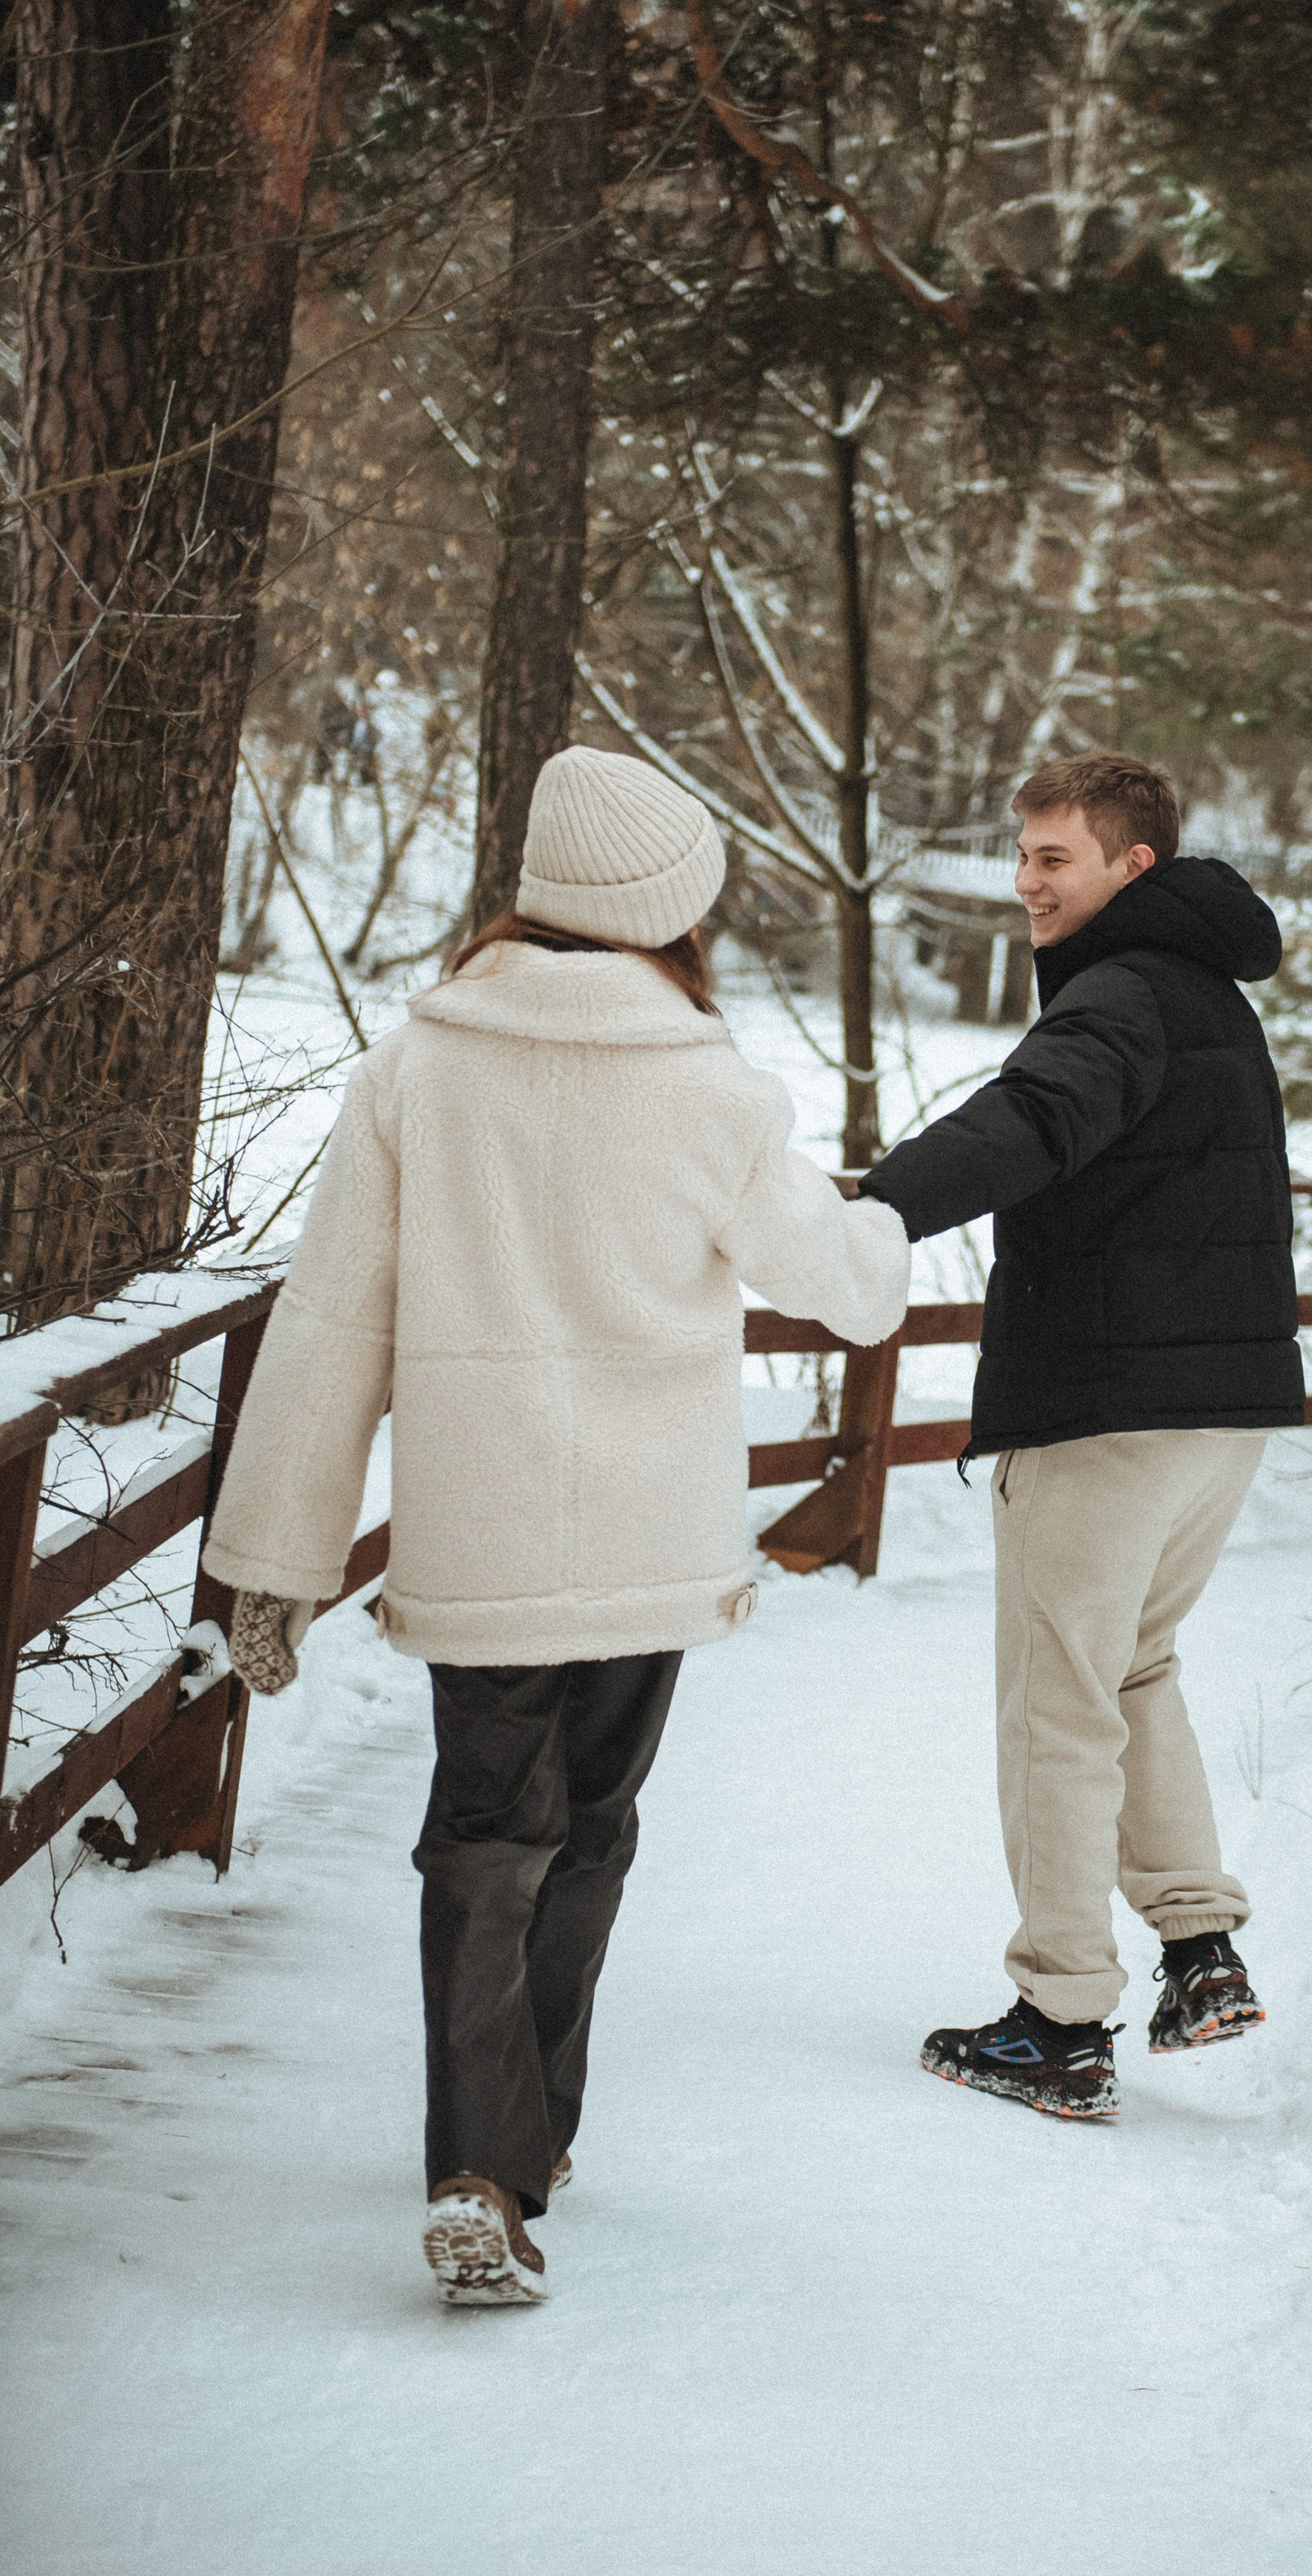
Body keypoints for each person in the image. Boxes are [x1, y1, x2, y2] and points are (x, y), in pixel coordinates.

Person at [203, 748, 909, 2302]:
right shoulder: (712, 1085)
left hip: (481, 1534)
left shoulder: (416, 1068)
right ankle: (513, 2157)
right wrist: (883, 1215)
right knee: (588, 1829)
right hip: (649, 1545)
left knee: (482, 1838)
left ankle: (488, 2159)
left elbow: (330, 1329)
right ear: (668, 910)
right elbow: (848, 1286)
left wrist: (274, 1560)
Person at [859, 752, 1301, 2121]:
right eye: (1024, 852)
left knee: (1058, 1708)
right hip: (1216, 1410)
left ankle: (1058, 2019)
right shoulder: (1207, 993)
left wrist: (872, 1213)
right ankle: (1200, 1949)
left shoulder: (1120, 997)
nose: (1025, 881)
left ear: (1134, 869)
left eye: (1055, 857)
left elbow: (1031, 1120)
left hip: (1111, 1409)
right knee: (1130, 1674)